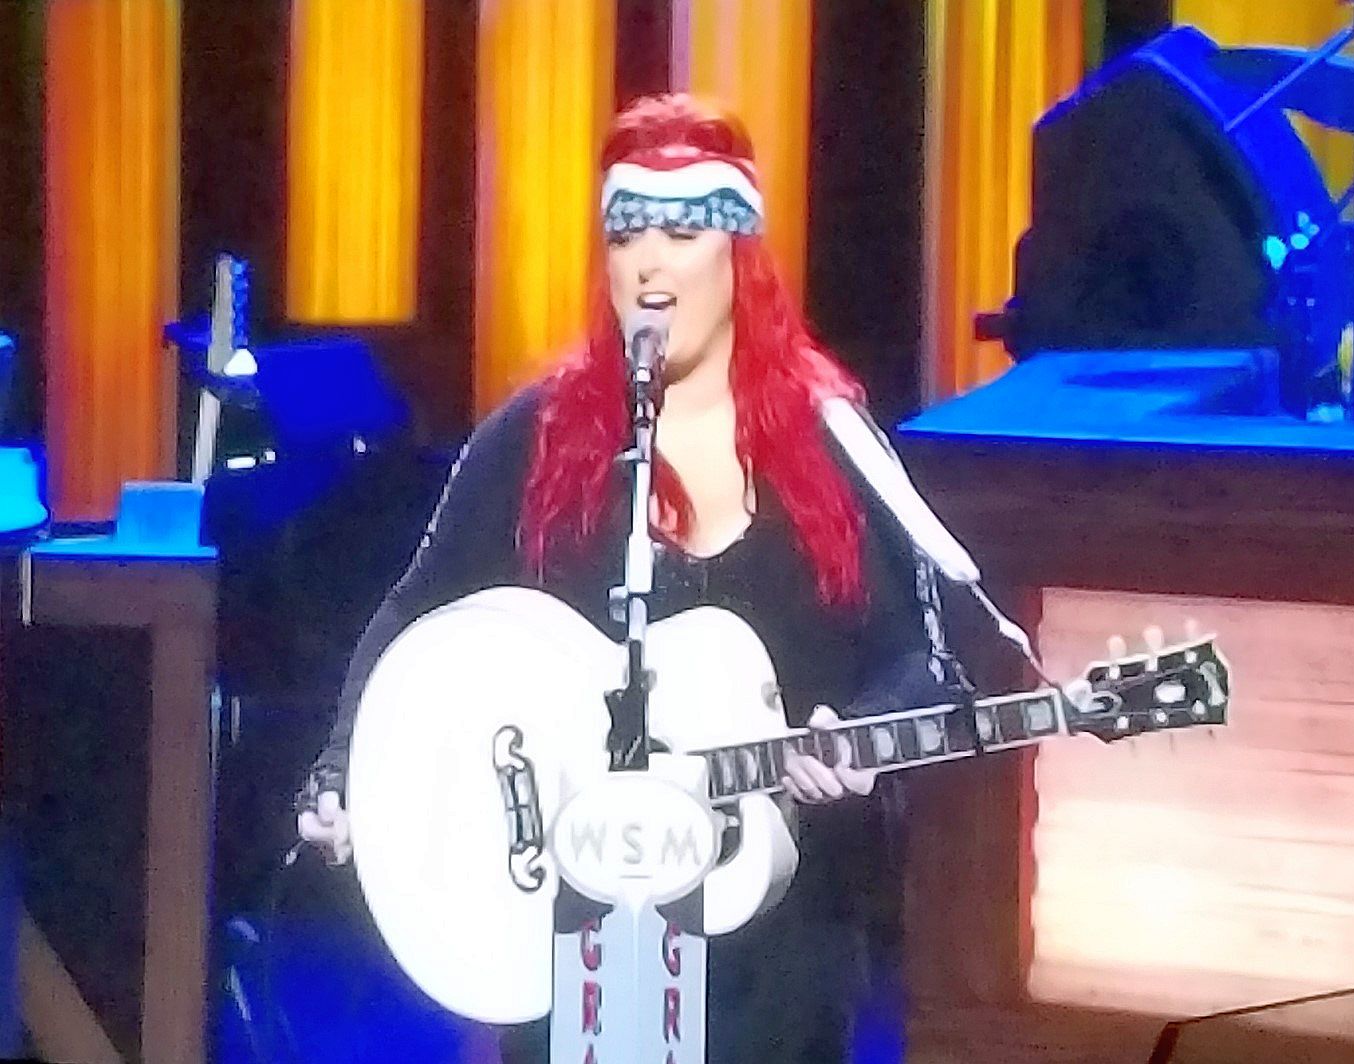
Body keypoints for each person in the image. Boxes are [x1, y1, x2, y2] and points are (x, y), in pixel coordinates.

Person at [295, 92, 968, 1063]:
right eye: (626, 235)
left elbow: (926, 664)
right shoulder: (535, 436)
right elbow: (417, 607)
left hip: (779, 946)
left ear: (738, 255)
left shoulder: (833, 443)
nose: (650, 262)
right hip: (577, 929)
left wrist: (856, 742)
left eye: (682, 232)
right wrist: (340, 767)